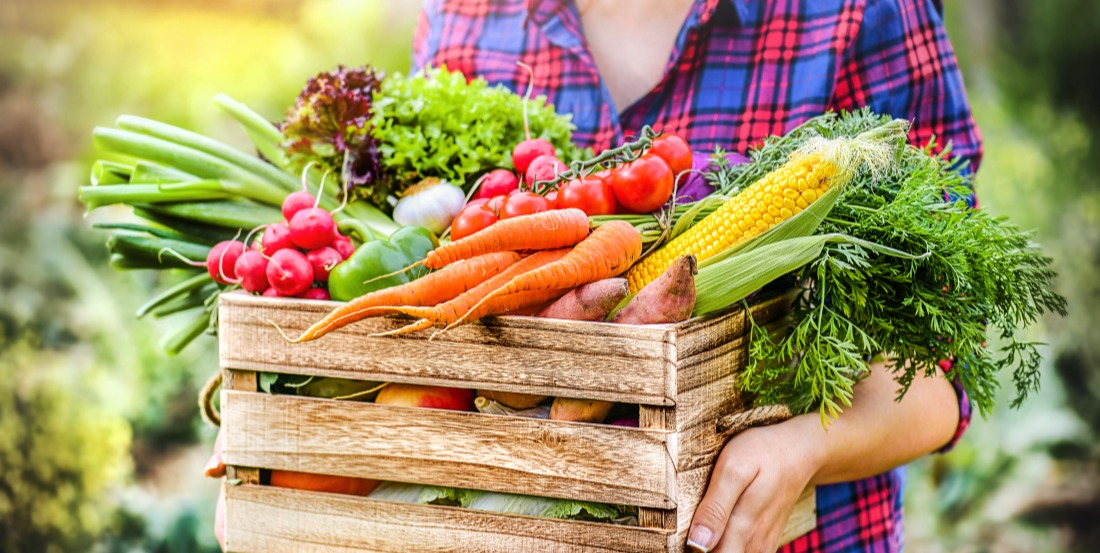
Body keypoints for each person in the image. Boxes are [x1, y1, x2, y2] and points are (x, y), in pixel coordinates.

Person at [206, 1, 980, 551]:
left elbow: (944, 378)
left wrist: (804, 447)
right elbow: (439, 344)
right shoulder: (469, 16)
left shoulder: (859, 14)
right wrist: (290, 452)